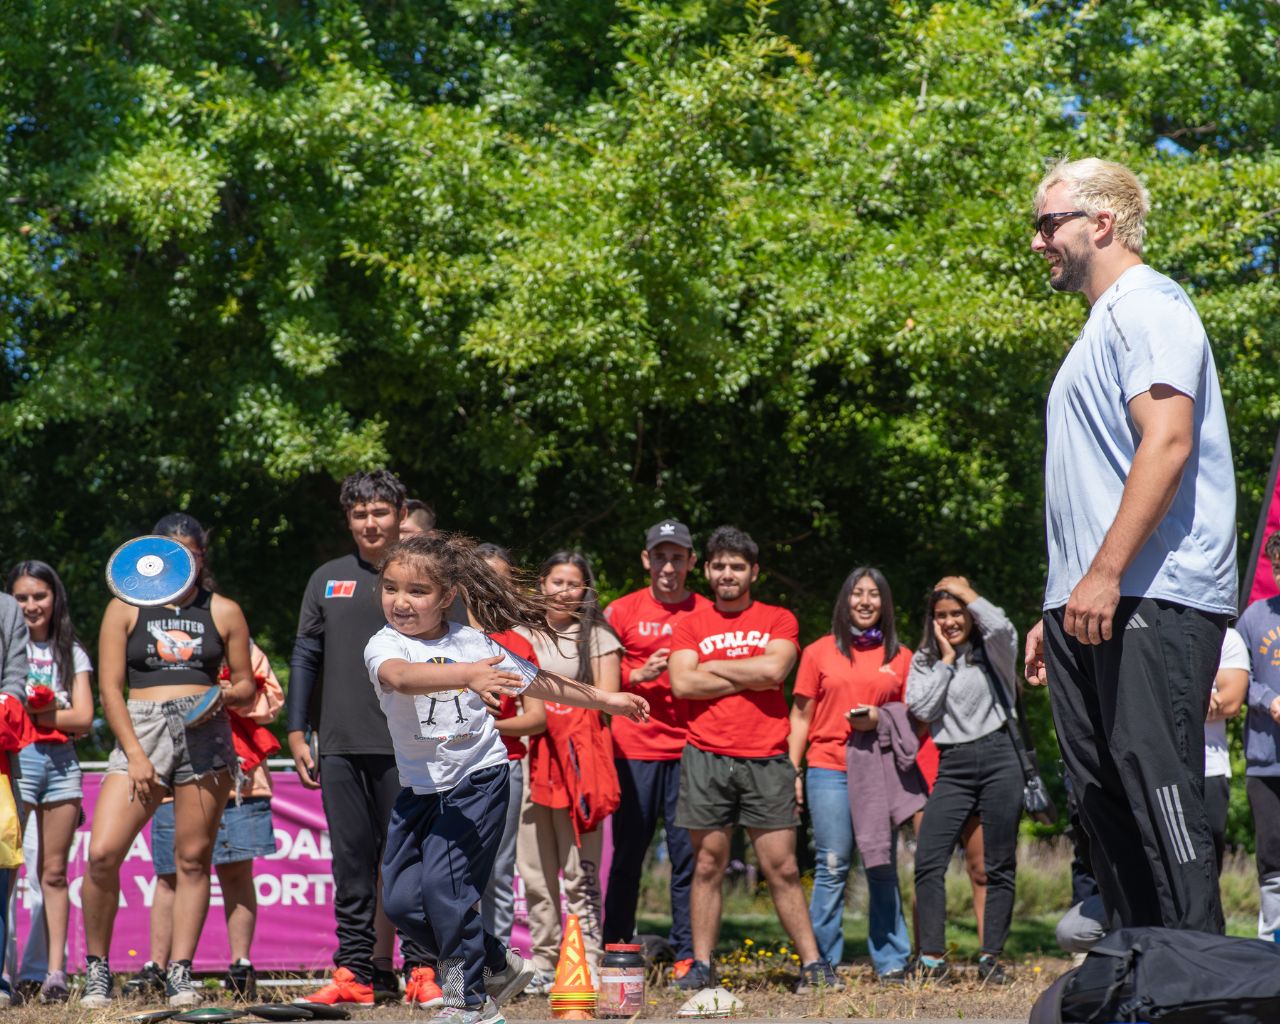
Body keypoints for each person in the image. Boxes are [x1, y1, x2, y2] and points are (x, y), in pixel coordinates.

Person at [1024, 158, 1237, 934]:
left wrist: (1106, 573)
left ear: (1101, 223)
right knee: (1100, 800)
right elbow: (1092, 481)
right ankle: (1143, 977)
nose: (1038, 241)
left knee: (1161, 796)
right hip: (1093, 603)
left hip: (1158, 592)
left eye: (1048, 223)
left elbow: (1169, 442)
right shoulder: (1100, 326)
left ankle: (1203, 986)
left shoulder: (1149, 305)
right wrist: (1060, 600)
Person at [364, 533, 649, 1024]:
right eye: (391, 589)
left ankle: (468, 1000)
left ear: (447, 596)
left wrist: (608, 700)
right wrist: (468, 676)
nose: (401, 602)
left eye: (417, 592)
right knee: (403, 902)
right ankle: (497, 961)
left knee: (444, 892)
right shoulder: (385, 644)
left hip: (477, 779)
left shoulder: (474, 642)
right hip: (420, 790)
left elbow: (537, 680)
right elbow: (400, 679)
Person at [80, 513, 257, 1008]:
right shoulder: (125, 607)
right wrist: (135, 754)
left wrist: (223, 694)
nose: (184, 563)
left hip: (206, 733)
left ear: (203, 555)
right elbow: (109, 689)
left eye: (192, 554)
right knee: (102, 854)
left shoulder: (224, 610)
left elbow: (245, 684)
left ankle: (180, 972)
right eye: (172, 553)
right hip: (142, 729)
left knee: (192, 860)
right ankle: (97, 969)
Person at [286, 469, 444, 1005]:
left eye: (381, 511)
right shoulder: (327, 578)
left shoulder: (428, 577)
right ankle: (354, 973)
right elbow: (306, 655)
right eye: (360, 513)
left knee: (409, 861)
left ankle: (422, 969)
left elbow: (459, 649)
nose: (371, 522)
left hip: (411, 745)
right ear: (349, 519)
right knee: (351, 862)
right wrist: (295, 728)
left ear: (402, 515)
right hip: (339, 743)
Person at [668, 526, 840, 993]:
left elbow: (775, 670)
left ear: (753, 572)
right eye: (719, 565)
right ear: (706, 570)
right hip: (705, 755)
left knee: (782, 867)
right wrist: (750, 676)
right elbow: (682, 685)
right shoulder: (690, 624)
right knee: (707, 864)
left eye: (737, 566)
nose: (727, 573)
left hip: (766, 756)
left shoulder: (778, 618)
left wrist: (712, 668)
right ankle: (701, 964)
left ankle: (813, 965)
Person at [786, 566, 914, 980]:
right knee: (833, 863)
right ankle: (819, 959)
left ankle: (893, 960)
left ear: (885, 604)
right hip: (828, 768)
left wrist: (882, 716)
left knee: (880, 863)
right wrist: (793, 771)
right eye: (857, 593)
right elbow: (801, 717)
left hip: (878, 773)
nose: (865, 601)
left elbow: (915, 718)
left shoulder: (902, 658)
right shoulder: (818, 652)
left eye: (874, 594)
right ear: (844, 601)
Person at [143, 637, 284, 1002]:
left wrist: (225, 693)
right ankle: (158, 968)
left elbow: (271, 704)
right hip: (174, 775)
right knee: (170, 876)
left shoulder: (241, 646)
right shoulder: (154, 640)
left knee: (237, 870)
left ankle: (240, 966)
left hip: (241, 780)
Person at [602, 519, 708, 979]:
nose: (668, 565)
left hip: (690, 749)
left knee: (689, 857)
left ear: (691, 562)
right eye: (660, 556)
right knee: (627, 856)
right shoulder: (619, 611)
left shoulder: (706, 611)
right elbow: (597, 679)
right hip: (633, 749)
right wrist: (636, 677)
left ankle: (687, 954)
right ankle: (616, 948)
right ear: (646, 559)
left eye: (677, 557)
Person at [514, 552, 622, 992]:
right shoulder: (520, 636)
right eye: (556, 581)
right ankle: (544, 963)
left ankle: (588, 959)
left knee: (580, 871)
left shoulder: (596, 638)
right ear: (541, 583)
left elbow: (608, 699)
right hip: (528, 762)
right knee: (536, 872)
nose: (563, 590)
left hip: (581, 768)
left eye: (573, 583)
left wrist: (554, 704)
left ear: (585, 591)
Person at [907, 576, 1021, 984]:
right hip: (952, 763)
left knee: (999, 863)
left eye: (958, 613)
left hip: (999, 757)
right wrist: (946, 659)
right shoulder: (925, 660)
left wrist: (968, 591)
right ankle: (933, 958)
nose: (951, 621)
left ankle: (991, 958)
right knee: (928, 860)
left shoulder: (994, 651)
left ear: (970, 615)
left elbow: (1004, 627)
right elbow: (921, 706)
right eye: (942, 615)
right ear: (932, 621)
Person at [6, 561, 93, 1003]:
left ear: (54, 597)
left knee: (54, 873)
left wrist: (36, 713)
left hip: (62, 766)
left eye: (38, 595)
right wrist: (50, 715)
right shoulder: (6, 649)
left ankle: (55, 974)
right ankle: (6, 975)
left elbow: (83, 717)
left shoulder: (71, 651)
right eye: (21, 597)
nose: (30, 605)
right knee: (7, 871)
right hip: (15, 761)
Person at [470, 543, 546, 947]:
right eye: (481, 579)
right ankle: (454, 968)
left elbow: (537, 717)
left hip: (505, 766)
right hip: (448, 767)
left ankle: (496, 964)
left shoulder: (518, 644)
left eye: (498, 580)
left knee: (498, 868)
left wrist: (488, 725)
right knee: (451, 871)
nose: (488, 588)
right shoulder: (445, 638)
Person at [1242, 531, 1280, 939]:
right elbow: (1239, 678)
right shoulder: (1255, 617)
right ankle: (1273, 943)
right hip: (1266, 761)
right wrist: (1269, 699)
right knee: (1272, 859)